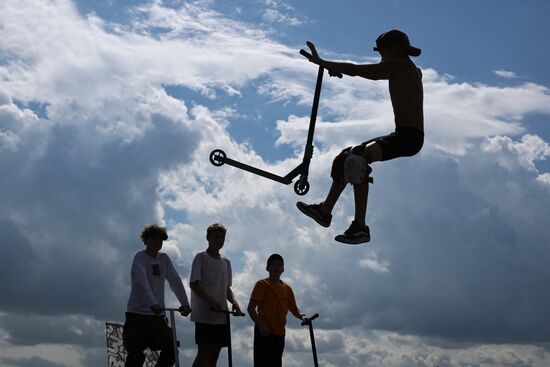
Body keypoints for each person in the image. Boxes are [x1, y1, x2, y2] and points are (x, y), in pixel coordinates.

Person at [297, 29, 424, 244]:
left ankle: (360, 226)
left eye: (382, 53)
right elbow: (362, 72)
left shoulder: (402, 65)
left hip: (410, 138)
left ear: (394, 50)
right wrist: (335, 69)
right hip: (402, 134)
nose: (381, 57)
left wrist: (324, 62)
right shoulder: (399, 68)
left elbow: (358, 70)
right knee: (346, 158)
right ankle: (324, 211)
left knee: (358, 160)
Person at [123, 224, 192, 367]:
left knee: (171, 348)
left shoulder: (164, 259)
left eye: (160, 240)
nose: (157, 243)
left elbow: (175, 280)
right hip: (138, 315)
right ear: (146, 240)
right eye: (154, 239)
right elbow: (141, 282)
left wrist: (184, 303)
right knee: (136, 354)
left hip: (157, 317)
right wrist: (152, 303)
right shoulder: (140, 257)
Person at [189, 223, 242, 367]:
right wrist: (211, 301)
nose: (219, 240)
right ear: (208, 238)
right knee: (204, 352)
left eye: (222, 237)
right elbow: (194, 284)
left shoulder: (226, 262)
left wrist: (235, 303)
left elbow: (227, 289)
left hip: (221, 315)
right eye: (216, 236)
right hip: (205, 315)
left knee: (215, 354)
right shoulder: (201, 258)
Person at [247, 254, 307, 367]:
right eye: (273, 264)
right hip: (264, 332)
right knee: (262, 363)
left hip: (280, 333)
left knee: (276, 363)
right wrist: (260, 326)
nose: (276, 267)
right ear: (267, 268)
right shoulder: (262, 284)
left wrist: (303, 316)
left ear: (283, 269)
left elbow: (294, 308)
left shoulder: (287, 289)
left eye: (279, 264)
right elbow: (251, 308)